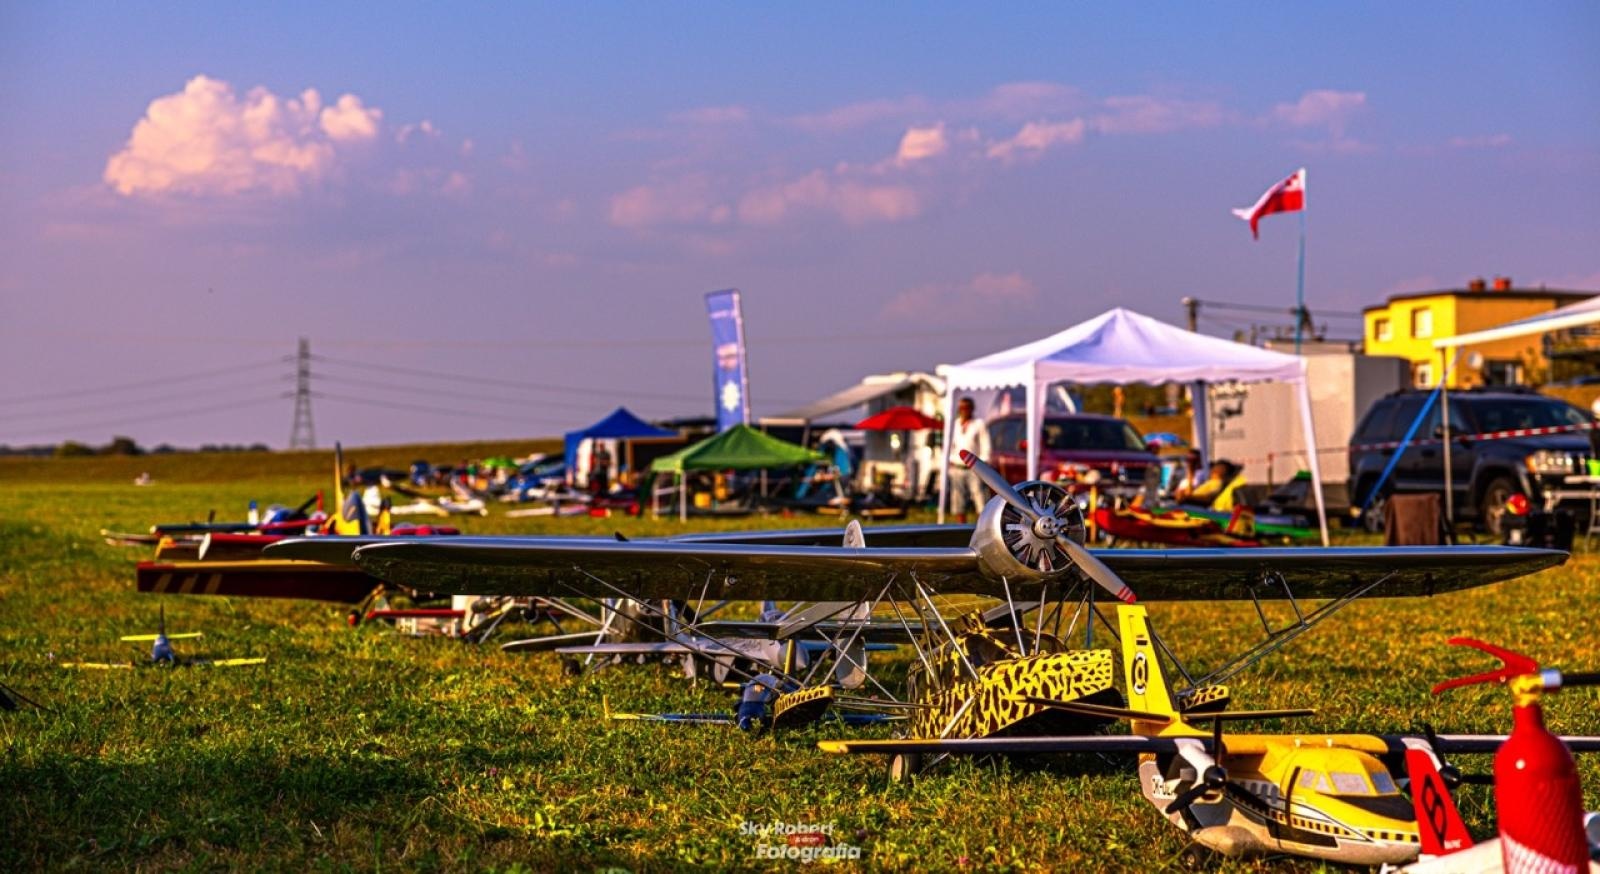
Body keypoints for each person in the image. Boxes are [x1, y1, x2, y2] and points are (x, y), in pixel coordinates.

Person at [948, 396, 991, 524]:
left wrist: (983, 463)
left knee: (979, 498)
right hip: (957, 466)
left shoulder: (978, 424)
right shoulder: (955, 424)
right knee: (958, 500)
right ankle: (961, 527)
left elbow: (985, 444)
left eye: (966, 408)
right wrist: (950, 459)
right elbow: (950, 444)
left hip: (974, 467)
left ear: (972, 409)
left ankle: (982, 526)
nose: (964, 410)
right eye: (961, 408)